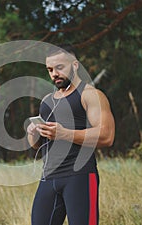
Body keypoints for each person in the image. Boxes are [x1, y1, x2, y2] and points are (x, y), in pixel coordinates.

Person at [27, 46, 115, 225]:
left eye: (60, 67)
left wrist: (65, 134)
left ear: (74, 65)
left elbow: (107, 136)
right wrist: (33, 133)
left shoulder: (90, 95)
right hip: (48, 178)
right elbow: (37, 145)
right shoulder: (47, 101)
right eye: (50, 70)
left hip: (80, 176)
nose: (54, 74)